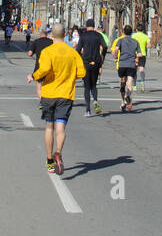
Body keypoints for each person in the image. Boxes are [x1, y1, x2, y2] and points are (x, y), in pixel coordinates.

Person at [29, 23, 86, 174]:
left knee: (49, 127)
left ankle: (49, 161)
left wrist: (33, 76)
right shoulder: (73, 52)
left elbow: (44, 69)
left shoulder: (47, 52)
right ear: (65, 35)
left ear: (51, 35)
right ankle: (58, 151)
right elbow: (81, 73)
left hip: (49, 94)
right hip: (66, 94)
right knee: (61, 127)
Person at [78, 17, 106, 115]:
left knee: (87, 87)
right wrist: (103, 56)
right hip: (96, 61)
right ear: (94, 26)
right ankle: (95, 100)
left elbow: (78, 49)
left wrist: (80, 58)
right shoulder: (98, 35)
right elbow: (105, 46)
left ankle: (88, 110)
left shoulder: (83, 36)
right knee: (93, 84)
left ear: (86, 26)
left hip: (86, 62)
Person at [112, 25, 140, 111]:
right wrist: (137, 58)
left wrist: (116, 57)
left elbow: (115, 50)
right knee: (130, 82)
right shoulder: (135, 42)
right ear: (131, 32)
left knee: (122, 83)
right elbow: (139, 54)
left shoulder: (120, 40)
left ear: (123, 32)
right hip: (131, 64)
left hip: (122, 64)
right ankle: (128, 95)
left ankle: (122, 102)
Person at [27, 24, 53, 102]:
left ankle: (42, 102)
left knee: (39, 85)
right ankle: (49, 100)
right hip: (50, 66)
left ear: (39, 34)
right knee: (49, 84)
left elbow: (30, 53)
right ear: (46, 34)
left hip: (39, 66)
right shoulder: (51, 42)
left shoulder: (36, 42)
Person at [132, 26, 150, 90]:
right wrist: (144, 46)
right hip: (143, 54)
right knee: (141, 69)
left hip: (135, 54)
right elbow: (149, 45)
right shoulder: (146, 36)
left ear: (136, 29)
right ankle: (142, 82)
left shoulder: (133, 36)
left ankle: (134, 86)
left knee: (134, 70)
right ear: (142, 30)